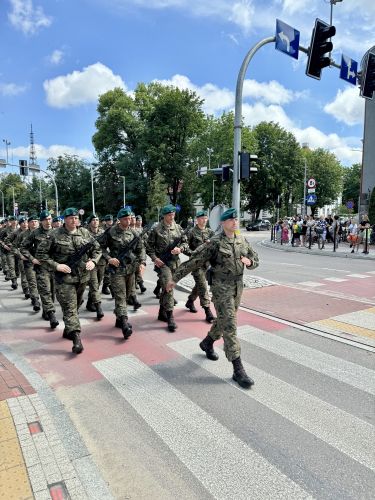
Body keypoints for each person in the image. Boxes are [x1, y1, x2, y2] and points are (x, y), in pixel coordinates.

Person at [166, 208, 259, 389]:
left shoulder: (241, 239)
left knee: (224, 320)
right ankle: (238, 369)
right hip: (221, 287)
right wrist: (174, 278)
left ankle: (207, 342)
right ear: (223, 223)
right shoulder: (215, 242)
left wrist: (250, 263)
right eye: (231, 220)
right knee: (230, 324)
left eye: (236, 219)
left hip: (237, 286)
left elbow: (254, 258)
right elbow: (195, 260)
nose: (235, 222)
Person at [37, 207, 102, 354]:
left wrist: (94, 261)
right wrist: (57, 265)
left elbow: (97, 249)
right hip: (64, 279)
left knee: (76, 305)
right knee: (70, 308)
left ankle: (68, 330)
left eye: (76, 218)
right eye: (71, 218)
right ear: (65, 219)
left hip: (82, 277)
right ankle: (76, 339)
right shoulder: (54, 235)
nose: (74, 220)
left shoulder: (85, 233)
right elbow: (41, 254)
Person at [99, 207, 146, 339]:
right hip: (117, 270)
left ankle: (119, 319)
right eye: (125, 218)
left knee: (126, 296)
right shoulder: (111, 231)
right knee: (120, 296)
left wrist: (142, 262)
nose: (129, 220)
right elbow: (100, 247)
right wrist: (109, 258)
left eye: (130, 218)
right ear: (119, 220)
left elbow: (141, 249)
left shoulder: (134, 233)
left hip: (130, 270)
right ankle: (125, 324)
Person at [146, 204, 188, 332]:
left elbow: (185, 242)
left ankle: (161, 312)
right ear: (164, 215)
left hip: (175, 263)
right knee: (169, 287)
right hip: (162, 264)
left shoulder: (178, 228)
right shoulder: (156, 229)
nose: (172, 216)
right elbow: (149, 247)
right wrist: (155, 259)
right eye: (169, 215)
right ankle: (170, 317)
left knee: (166, 288)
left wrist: (180, 249)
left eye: (173, 214)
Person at [21, 210, 59, 328]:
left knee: (52, 292)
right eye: (45, 219)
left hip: (54, 266)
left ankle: (46, 310)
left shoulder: (57, 232)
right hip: (41, 267)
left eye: (49, 219)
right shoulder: (35, 233)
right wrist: (32, 259)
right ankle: (52, 315)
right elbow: (23, 248)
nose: (48, 222)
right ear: (41, 221)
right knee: (45, 290)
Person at [185, 210, 215, 323]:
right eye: (202, 218)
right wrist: (193, 254)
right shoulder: (192, 232)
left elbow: (216, 246)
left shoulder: (210, 232)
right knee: (202, 285)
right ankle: (208, 311)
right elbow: (184, 246)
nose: (204, 220)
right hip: (196, 264)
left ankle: (190, 300)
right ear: (197, 219)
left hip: (207, 264)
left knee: (200, 284)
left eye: (206, 218)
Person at [86, 214, 106, 319]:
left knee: (98, 283)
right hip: (90, 262)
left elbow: (106, 246)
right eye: (93, 220)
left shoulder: (103, 232)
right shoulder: (85, 233)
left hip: (101, 261)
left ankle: (90, 302)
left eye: (97, 220)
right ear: (89, 222)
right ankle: (98, 307)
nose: (95, 222)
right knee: (94, 284)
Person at [101, 214, 114, 295]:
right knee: (106, 272)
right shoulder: (102, 230)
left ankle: (106, 286)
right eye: (108, 220)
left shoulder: (114, 229)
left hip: (112, 253)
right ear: (105, 221)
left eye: (111, 220)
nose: (110, 222)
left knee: (109, 272)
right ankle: (106, 286)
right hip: (104, 253)